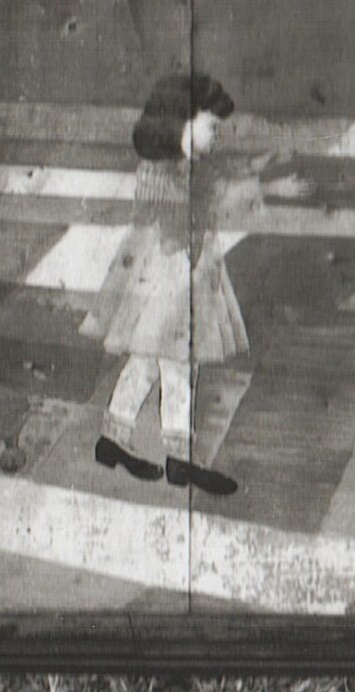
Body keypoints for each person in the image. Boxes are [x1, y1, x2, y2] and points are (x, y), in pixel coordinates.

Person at [87, 72, 302, 500]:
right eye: (212, 127)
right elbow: (209, 195)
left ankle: (113, 440)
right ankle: (179, 460)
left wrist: (260, 166)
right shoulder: (162, 170)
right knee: (177, 364)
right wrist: (268, 184)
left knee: (149, 361)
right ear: (180, 123)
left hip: (173, 273)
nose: (216, 135)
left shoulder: (187, 166)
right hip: (168, 277)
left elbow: (216, 180)